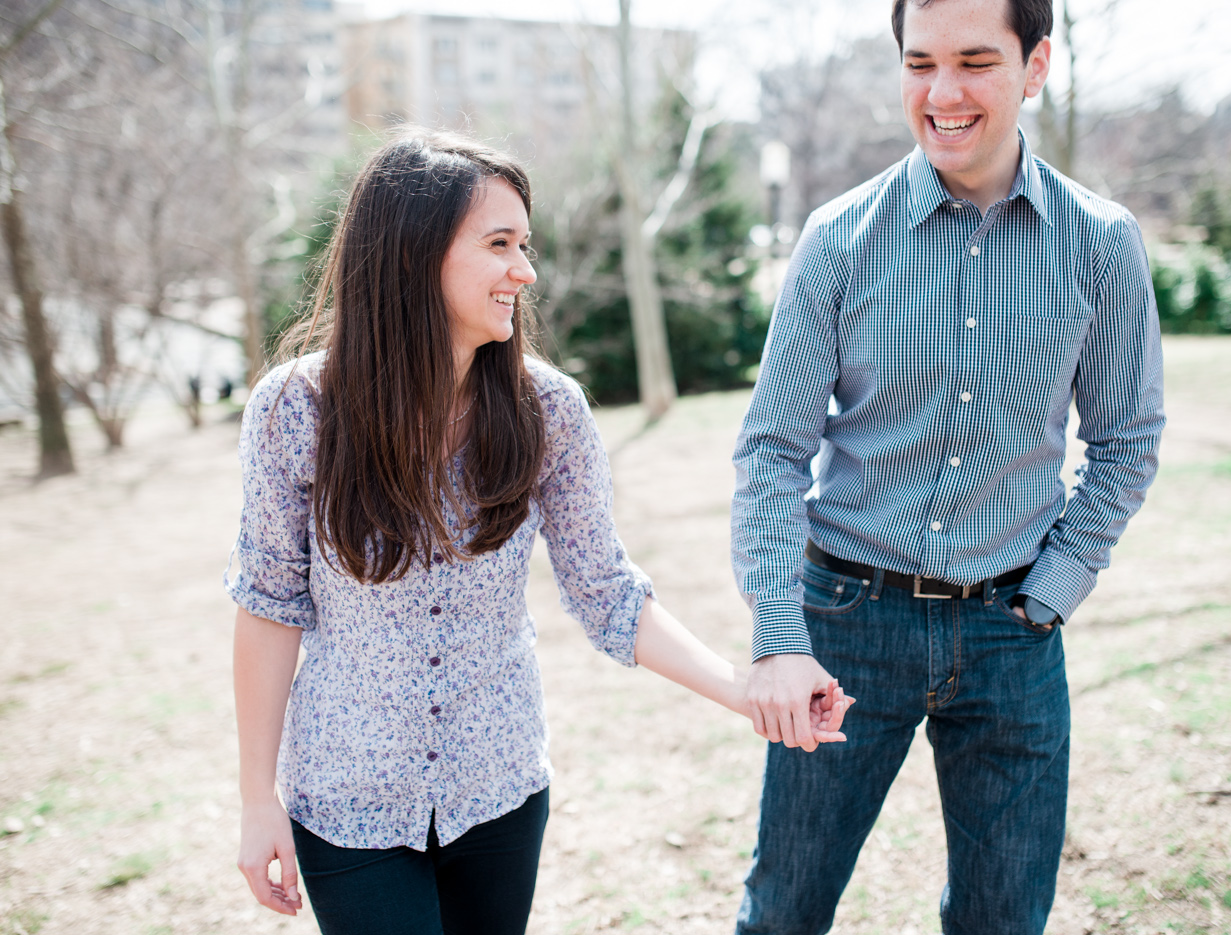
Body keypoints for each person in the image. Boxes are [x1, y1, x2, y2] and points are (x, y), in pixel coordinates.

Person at [225, 130, 851, 935]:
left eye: (525, 244)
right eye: (499, 245)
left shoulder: (548, 411)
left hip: (500, 790)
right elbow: (270, 606)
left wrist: (746, 690)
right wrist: (255, 798)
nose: (525, 271)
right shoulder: (293, 411)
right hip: (346, 801)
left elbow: (607, 592)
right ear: (413, 254)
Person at [730, 0, 1166, 932]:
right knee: (783, 914)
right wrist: (779, 631)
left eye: (975, 60)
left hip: (1014, 632)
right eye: (920, 63)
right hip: (844, 626)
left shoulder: (1101, 243)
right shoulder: (837, 240)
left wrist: (1054, 587)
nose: (944, 92)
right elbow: (772, 450)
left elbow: (1126, 439)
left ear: (1035, 64)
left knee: (1003, 921)